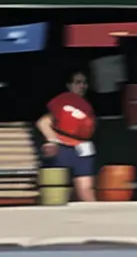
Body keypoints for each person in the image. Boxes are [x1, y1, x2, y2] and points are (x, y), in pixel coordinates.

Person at [36, 70, 98, 202]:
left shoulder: (86, 105)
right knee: (59, 191)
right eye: (78, 83)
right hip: (63, 148)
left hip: (82, 148)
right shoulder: (62, 102)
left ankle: (95, 216)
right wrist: (53, 141)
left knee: (85, 189)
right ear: (69, 85)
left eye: (84, 83)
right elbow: (43, 123)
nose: (82, 86)